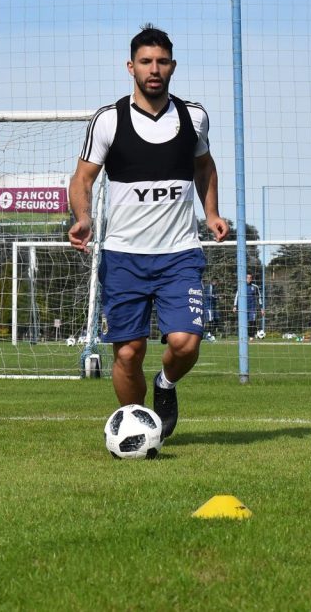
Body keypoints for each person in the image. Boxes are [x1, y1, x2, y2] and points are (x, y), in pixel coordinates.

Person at [68, 24, 228, 440]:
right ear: (131, 67)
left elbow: (203, 166)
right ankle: (136, 425)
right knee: (127, 352)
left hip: (179, 254)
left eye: (161, 62)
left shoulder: (194, 117)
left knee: (185, 343)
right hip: (124, 257)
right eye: (145, 62)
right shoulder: (108, 121)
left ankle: (166, 385)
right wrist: (83, 218)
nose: (153, 69)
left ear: (172, 66)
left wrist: (211, 214)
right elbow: (83, 179)